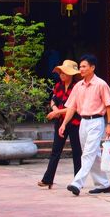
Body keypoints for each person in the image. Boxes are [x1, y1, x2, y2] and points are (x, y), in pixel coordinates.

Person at [60, 54, 110, 195]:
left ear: (92, 67)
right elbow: (72, 107)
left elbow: (109, 106)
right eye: (80, 67)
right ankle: (103, 184)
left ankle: (77, 183)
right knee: (92, 154)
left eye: (84, 66)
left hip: (97, 122)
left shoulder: (101, 84)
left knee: (88, 154)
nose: (81, 69)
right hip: (83, 122)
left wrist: (109, 124)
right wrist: (64, 123)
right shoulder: (78, 86)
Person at [38, 60, 83, 189]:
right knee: (55, 151)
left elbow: (75, 107)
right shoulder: (58, 85)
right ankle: (48, 179)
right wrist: (55, 109)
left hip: (75, 123)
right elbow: (53, 100)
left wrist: (57, 112)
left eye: (64, 72)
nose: (62, 75)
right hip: (60, 122)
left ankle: (78, 181)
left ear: (71, 74)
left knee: (77, 152)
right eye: (61, 72)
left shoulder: (77, 87)